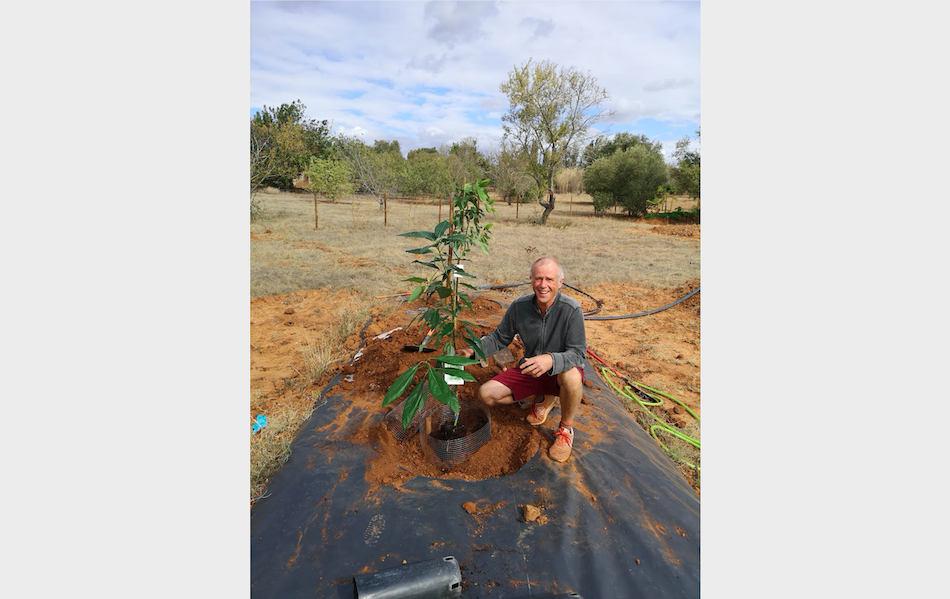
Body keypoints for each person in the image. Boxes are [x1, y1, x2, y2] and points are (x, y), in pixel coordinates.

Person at [458, 256, 587, 462]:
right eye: (538, 279)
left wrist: (550, 360)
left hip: (560, 373)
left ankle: (566, 430)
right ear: (530, 279)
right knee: (486, 394)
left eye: (549, 279)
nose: (543, 285)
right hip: (531, 370)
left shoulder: (571, 310)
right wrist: (473, 352)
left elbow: (578, 354)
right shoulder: (519, 307)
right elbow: (499, 337)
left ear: (560, 282)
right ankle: (541, 397)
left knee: (572, 378)